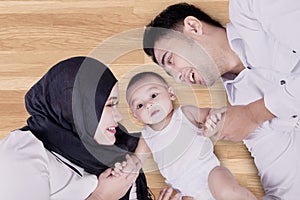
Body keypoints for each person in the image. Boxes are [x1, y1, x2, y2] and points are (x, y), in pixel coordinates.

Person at [142, 2, 300, 199]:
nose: (178, 77)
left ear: (193, 26)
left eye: (171, 60)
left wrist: (257, 112)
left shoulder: (250, 9)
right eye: (170, 74)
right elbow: (287, 191)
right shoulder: (240, 112)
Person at [0, 56, 156, 200]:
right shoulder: (21, 153)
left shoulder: (102, 143)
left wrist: (136, 161)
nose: (119, 117)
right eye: (109, 104)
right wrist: (101, 197)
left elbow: (153, 134)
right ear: (77, 109)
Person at [116, 71, 256, 200]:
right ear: (135, 115)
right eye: (139, 105)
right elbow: (137, 159)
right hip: (187, 191)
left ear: (171, 94)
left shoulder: (185, 114)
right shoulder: (147, 135)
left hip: (209, 173)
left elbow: (212, 115)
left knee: (227, 192)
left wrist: (212, 120)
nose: (148, 105)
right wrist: (128, 167)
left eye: (153, 95)